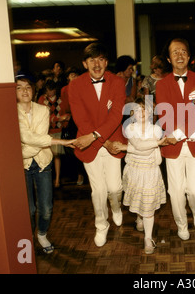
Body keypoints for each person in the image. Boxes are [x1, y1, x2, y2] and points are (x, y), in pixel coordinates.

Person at [68, 42, 127, 247]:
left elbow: (117, 115)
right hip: (89, 146)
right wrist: (101, 140)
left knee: (115, 188)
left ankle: (116, 207)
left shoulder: (118, 82)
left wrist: (100, 138)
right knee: (98, 190)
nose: (96, 64)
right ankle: (101, 225)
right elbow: (80, 119)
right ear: (85, 64)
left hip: (111, 141)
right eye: (91, 60)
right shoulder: (74, 86)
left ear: (106, 62)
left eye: (100, 59)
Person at [155, 37, 195, 241]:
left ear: (189, 56)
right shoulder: (161, 85)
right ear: (168, 58)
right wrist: (175, 134)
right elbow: (164, 113)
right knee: (176, 190)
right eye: (175, 52)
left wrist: (181, 133)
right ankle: (181, 224)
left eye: (183, 51)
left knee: (194, 190)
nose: (179, 55)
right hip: (173, 146)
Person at [16, 76, 75, 254]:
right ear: (14, 92)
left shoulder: (43, 110)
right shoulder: (10, 111)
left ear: (33, 90)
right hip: (22, 165)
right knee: (29, 208)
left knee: (46, 207)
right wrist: (61, 143)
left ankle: (42, 234)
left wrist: (25, 147)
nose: (25, 91)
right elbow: (27, 137)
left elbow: (33, 140)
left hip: (43, 162)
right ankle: (29, 237)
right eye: (19, 88)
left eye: (28, 87)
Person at [116, 97, 167, 254]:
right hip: (134, 170)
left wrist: (126, 148)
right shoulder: (130, 128)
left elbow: (143, 149)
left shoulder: (156, 130)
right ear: (132, 113)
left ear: (151, 112)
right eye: (138, 110)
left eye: (145, 109)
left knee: (149, 205)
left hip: (150, 170)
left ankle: (148, 238)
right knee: (139, 200)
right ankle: (139, 217)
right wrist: (156, 144)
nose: (142, 112)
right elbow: (138, 146)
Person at [38, 79, 70, 188]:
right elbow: (41, 117)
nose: (50, 93)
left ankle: (57, 180)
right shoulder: (42, 100)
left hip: (58, 131)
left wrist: (65, 119)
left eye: (52, 90)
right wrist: (58, 118)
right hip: (45, 131)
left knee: (57, 155)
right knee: (47, 156)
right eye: (48, 90)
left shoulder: (61, 99)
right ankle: (48, 180)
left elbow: (66, 112)